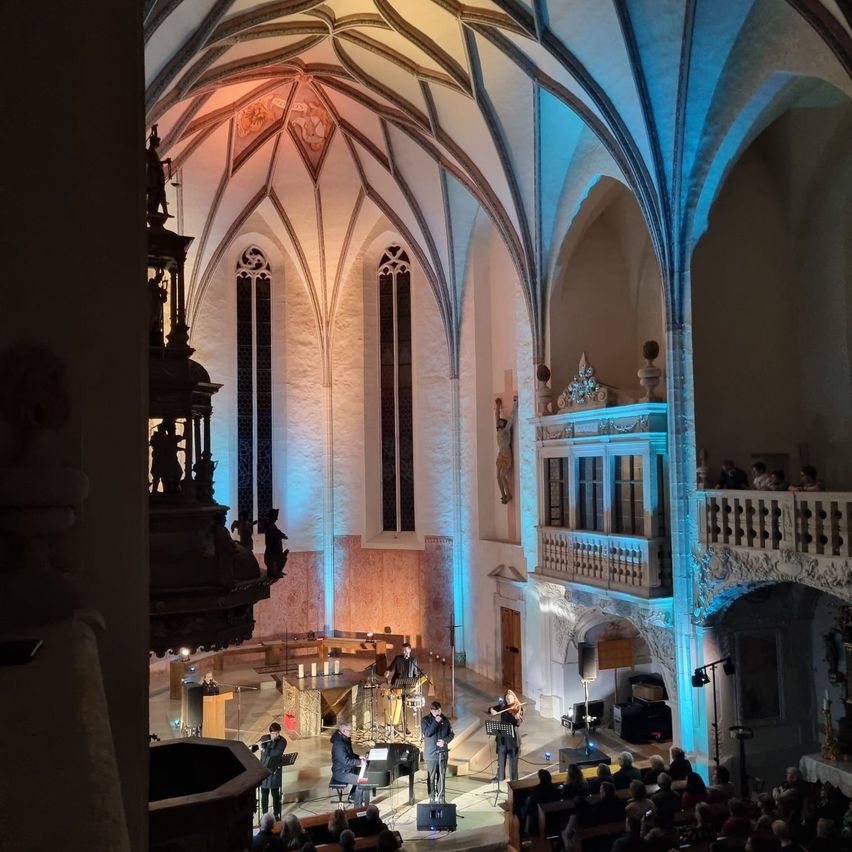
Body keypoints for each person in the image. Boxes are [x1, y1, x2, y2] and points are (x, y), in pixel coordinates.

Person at [421, 700, 454, 804]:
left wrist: (445, 741)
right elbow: (427, 733)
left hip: (443, 753)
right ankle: (431, 797)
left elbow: (451, 734)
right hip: (431, 754)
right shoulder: (425, 720)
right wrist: (436, 721)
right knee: (431, 777)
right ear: (431, 711)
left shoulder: (446, 720)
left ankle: (441, 797)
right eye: (435, 711)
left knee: (442, 776)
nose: (438, 713)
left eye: (439, 710)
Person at [254, 722, 287, 820]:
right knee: (264, 793)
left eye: (277, 733)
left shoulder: (282, 741)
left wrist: (265, 749)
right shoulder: (265, 738)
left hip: (275, 770)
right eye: (273, 733)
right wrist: (262, 746)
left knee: (275, 793)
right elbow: (259, 744)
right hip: (264, 770)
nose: (275, 735)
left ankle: (276, 814)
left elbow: (277, 753)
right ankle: (264, 814)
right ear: (270, 732)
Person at [488, 689, 523, 782]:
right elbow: (491, 709)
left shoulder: (518, 707)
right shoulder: (503, 706)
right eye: (507, 699)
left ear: (514, 698)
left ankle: (514, 780)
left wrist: (517, 718)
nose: (508, 701)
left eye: (510, 699)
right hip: (502, 738)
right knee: (501, 759)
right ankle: (500, 777)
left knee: (513, 761)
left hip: (512, 739)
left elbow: (519, 723)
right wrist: (492, 710)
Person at [330, 722, 368, 806]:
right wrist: (359, 762)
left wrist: (359, 757)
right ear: (343, 730)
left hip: (347, 769)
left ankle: (353, 796)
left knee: (365, 774)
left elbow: (349, 754)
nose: (351, 732)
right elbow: (346, 761)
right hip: (341, 773)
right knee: (362, 782)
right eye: (350, 731)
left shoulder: (345, 739)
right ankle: (357, 807)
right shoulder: (338, 744)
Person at [521, 769, 561, 835]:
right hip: (554, 819)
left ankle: (525, 831)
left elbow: (530, 808)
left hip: (539, 820)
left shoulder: (537, 790)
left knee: (523, 809)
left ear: (540, 779)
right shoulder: (555, 789)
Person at [495, 395, 517, 503]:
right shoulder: (499, 430)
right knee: (498, 477)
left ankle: (508, 494)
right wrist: (498, 405)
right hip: (501, 455)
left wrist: (515, 404)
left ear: (503, 424)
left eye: (500, 423)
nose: (498, 423)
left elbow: (512, 418)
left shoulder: (506, 430)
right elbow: (496, 415)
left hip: (507, 457)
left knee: (502, 476)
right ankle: (503, 495)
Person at [264, 508, 288, 577]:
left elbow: (277, 532)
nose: (277, 519)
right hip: (272, 549)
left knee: (281, 558)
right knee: (274, 561)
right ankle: (274, 572)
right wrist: (280, 536)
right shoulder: (270, 526)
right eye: (275, 517)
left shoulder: (272, 525)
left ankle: (278, 571)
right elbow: (273, 535)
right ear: (272, 517)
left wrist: (282, 535)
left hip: (275, 549)